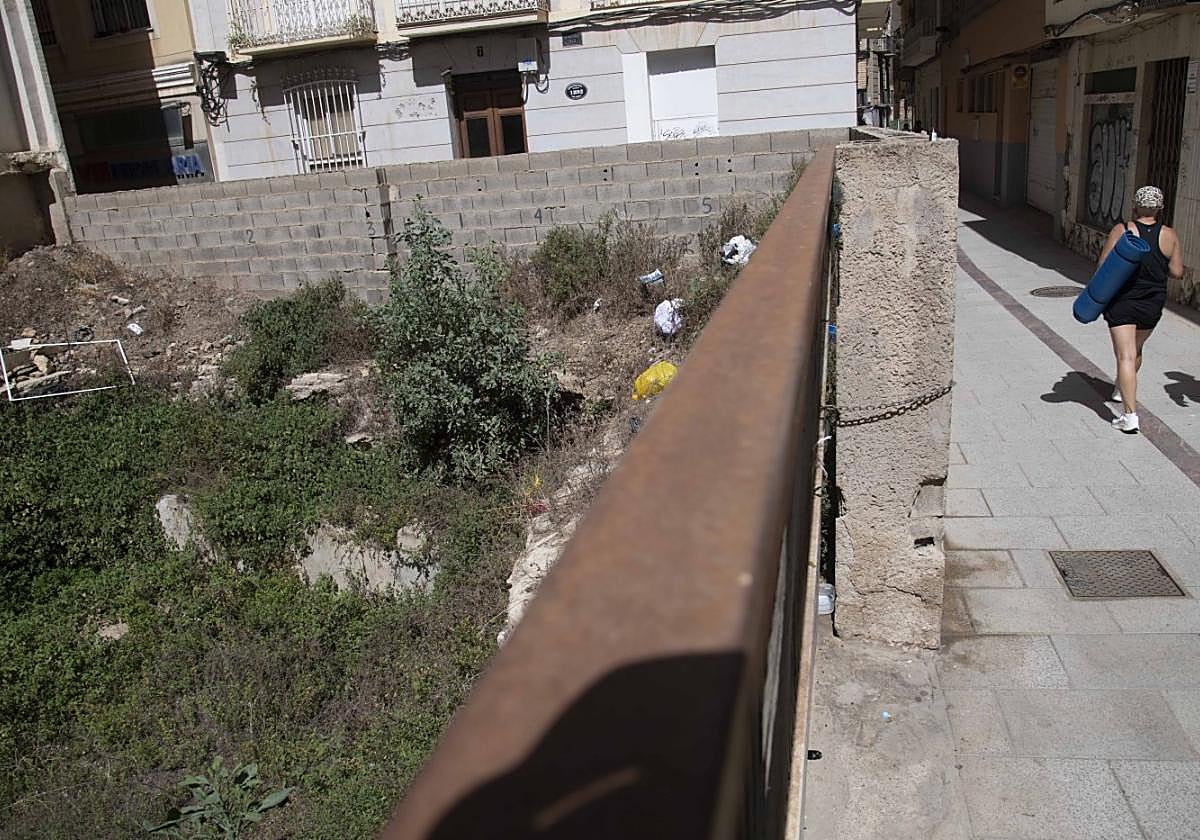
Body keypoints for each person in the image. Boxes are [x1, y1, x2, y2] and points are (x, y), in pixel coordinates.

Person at [1096, 186, 1185, 433]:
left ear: (1134, 205)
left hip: (1123, 300)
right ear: (1160, 208)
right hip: (1152, 302)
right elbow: (1177, 272)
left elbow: (1103, 264)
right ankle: (1120, 389)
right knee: (1135, 350)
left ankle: (1130, 416)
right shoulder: (1169, 234)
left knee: (1124, 355)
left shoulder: (1122, 230)